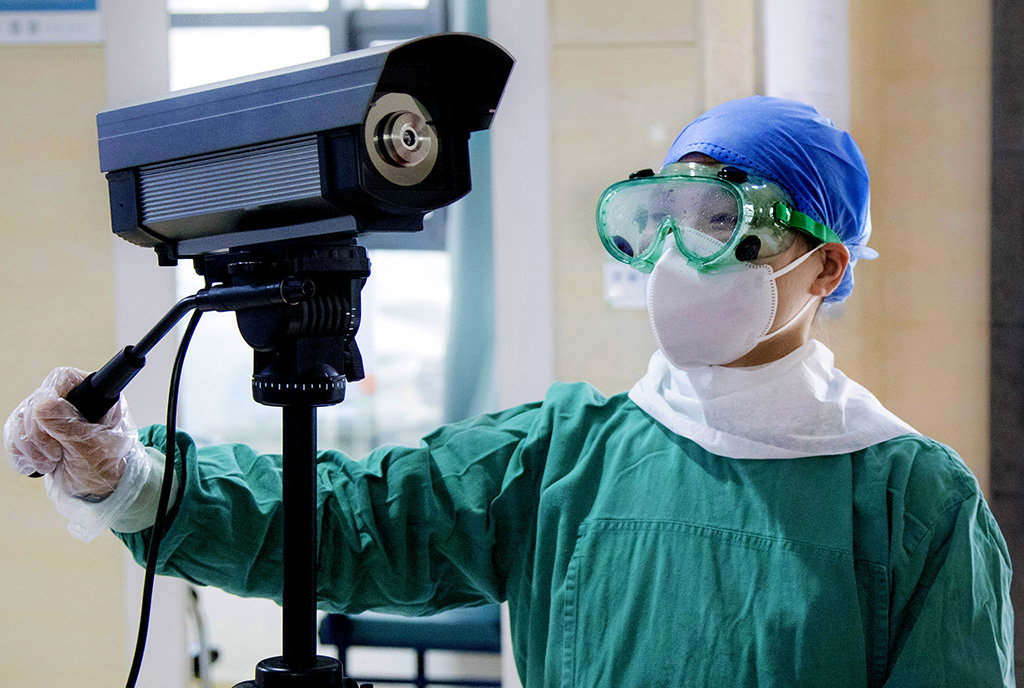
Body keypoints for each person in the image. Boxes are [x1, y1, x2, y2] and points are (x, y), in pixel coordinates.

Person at [4, 96, 1014, 687]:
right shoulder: (566, 454)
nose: (679, 254)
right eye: (663, 217)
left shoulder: (911, 502)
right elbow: (353, 524)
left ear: (824, 267)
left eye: (722, 222)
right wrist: (128, 478)